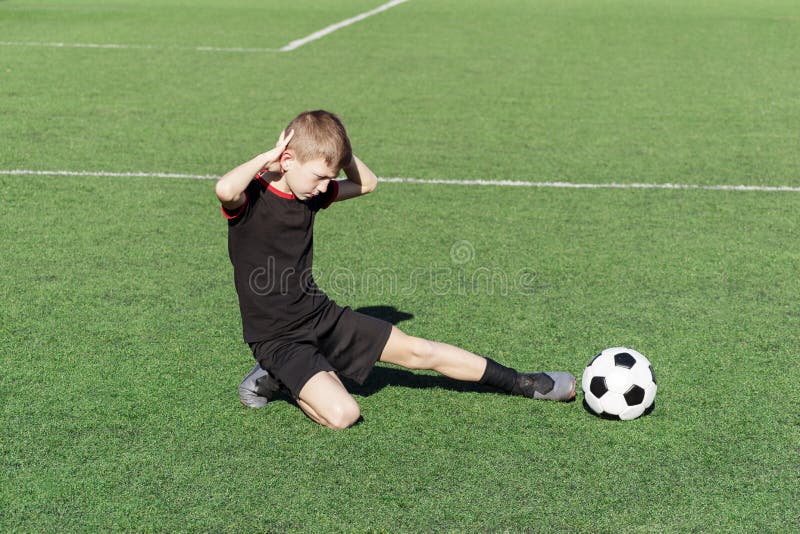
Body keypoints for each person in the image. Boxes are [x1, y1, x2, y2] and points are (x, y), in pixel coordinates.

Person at [217, 110, 576, 430]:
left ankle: (522, 383)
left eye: (330, 177)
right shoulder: (253, 197)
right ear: (288, 158)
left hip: (318, 315)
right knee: (344, 415)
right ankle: (279, 375)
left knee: (420, 352)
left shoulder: (310, 194)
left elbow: (366, 183)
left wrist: (338, 152)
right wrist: (269, 158)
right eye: (319, 176)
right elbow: (224, 188)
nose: (325, 187)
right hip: (277, 338)